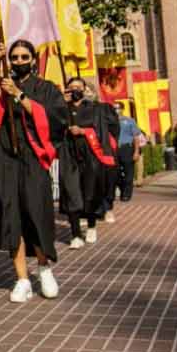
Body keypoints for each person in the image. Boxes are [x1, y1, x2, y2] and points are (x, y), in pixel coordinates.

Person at [0, 39, 67, 304]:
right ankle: (22, 278)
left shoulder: (46, 89)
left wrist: (20, 97)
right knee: (11, 215)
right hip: (6, 156)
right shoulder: (2, 85)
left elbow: (55, 119)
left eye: (24, 57)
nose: (19, 61)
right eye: (15, 57)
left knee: (36, 211)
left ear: (33, 59)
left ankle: (44, 268)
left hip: (33, 157)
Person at [59, 78, 119, 248]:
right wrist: (61, 106)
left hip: (90, 155)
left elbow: (102, 131)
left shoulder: (95, 109)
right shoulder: (63, 108)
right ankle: (76, 234)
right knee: (71, 192)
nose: (75, 90)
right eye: (71, 87)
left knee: (90, 192)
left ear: (84, 89)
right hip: (69, 155)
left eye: (78, 87)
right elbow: (51, 126)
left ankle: (91, 225)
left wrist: (84, 131)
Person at [113, 103, 140, 203]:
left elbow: (136, 137)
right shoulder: (110, 121)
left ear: (122, 109)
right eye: (114, 108)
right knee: (115, 173)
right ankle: (123, 188)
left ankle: (126, 194)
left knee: (129, 173)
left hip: (127, 148)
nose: (116, 110)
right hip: (115, 149)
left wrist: (136, 151)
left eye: (117, 108)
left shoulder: (129, 121)